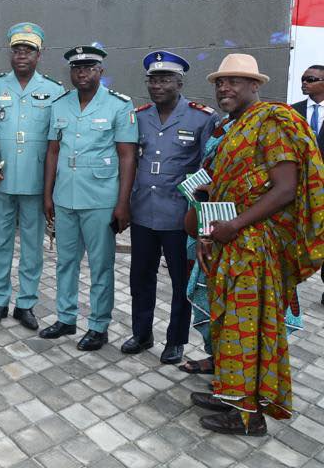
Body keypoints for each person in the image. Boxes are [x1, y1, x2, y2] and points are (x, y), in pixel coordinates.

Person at [188, 54, 324, 436]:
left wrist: (234, 225)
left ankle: (249, 416)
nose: (224, 88)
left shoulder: (272, 121)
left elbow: (285, 189)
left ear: (255, 86)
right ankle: (230, 393)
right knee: (229, 325)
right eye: (219, 82)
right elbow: (227, 188)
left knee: (247, 329)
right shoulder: (233, 128)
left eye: (234, 81)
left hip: (254, 247)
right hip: (229, 242)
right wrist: (208, 231)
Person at [121, 51, 218, 365]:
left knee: (181, 283)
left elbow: (208, 169)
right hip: (144, 211)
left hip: (180, 217)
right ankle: (141, 333)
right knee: (141, 277)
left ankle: (175, 341)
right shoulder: (140, 115)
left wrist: (204, 220)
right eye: (152, 80)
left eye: (164, 80)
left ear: (179, 82)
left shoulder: (202, 117)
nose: (157, 85)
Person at [40, 45, 138, 351]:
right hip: (65, 196)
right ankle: (66, 317)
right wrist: (47, 194)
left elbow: (127, 157)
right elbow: (53, 151)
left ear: (101, 72)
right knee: (65, 262)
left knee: (101, 265)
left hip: (100, 198)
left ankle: (98, 325)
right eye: (77, 68)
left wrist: (123, 203)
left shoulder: (119, 106)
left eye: (89, 67)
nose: (82, 73)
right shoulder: (60, 105)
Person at [0, 22, 65, 330]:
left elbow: (57, 141)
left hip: (35, 181)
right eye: (17, 50)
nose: (21, 56)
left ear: (39, 54)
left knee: (32, 245)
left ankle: (26, 303)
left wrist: (52, 188)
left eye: (28, 50)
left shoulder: (55, 92)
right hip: (1, 182)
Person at [290, 63, 324, 305]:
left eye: (310, 79)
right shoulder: (292, 112)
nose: (304, 83)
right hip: (296, 192)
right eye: (303, 79)